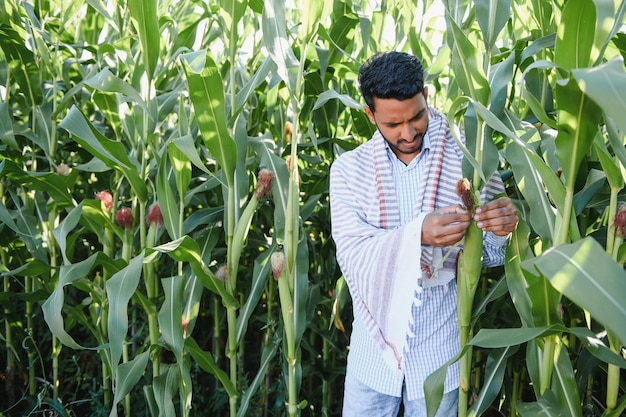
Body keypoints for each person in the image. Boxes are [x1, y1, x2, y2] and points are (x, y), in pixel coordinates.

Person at [329, 51, 518, 416]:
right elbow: (352, 255)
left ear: (427, 95)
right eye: (392, 124)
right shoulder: (348, 171)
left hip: (440, 353)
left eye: (416, 116)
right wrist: (418, 234)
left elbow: (491, 256)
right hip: (373, 355)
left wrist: (500, 230)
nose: (408, 132)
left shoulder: (470, 155)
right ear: (371, 115)